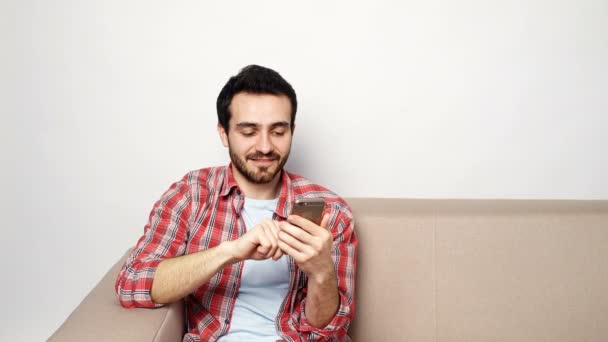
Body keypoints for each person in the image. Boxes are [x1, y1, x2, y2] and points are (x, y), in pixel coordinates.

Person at [115, 65, 357, 342]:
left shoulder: (331, 210)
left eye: (278, 132)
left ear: (292, 130)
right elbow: (133, 282)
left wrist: (322, 272)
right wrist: (230, 252)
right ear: (223, 133)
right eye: (249, 131)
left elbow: (329, 331)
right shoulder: (191, 195)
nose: (265, 146)